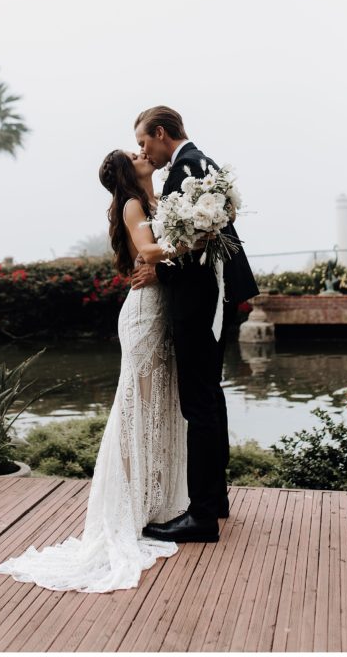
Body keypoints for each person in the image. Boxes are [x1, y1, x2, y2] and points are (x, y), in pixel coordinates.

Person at [0, 148, 191, 593]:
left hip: (161, 312)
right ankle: (127, 509)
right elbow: (148, 250)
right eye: (134, 154)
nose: (143, 154)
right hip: (143, 316)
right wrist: (195, 241)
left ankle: (155, 503)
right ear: (126, 171)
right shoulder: (133, 205)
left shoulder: (156, 200)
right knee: (135, 411)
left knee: (159, 409)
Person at [132, 106, 259, 544]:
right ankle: (214, 499)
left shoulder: (186, 170)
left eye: (144, 142)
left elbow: (194, 242)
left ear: (160, 133)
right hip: (216, 297)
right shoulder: (202, 163)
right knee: (210, 396)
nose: (143, 150)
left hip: (201, 301)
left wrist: (159, 270)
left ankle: (201, 515)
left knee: (198, 403)